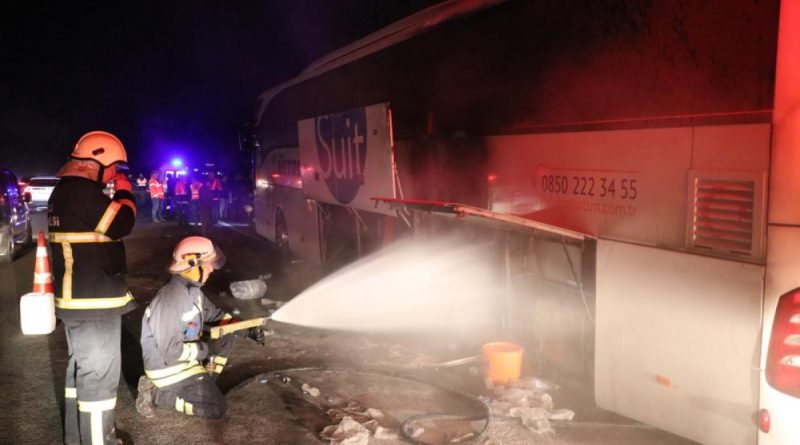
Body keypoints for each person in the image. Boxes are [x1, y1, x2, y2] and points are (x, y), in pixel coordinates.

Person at [48, 130, 137, 445]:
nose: (115, 174)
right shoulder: (83, 193)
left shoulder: (64, 191)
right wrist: (125, 192)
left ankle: (78, 438)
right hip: (93, 303)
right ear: (95, 162)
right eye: (114, 167)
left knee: (81, 372)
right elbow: (122, 223)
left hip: (78, 302)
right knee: (98, 379)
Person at [136, 236, 235, 419]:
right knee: (216, 408)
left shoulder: (193, 291)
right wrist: (207, 349)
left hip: (187, 360)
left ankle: (205, 382)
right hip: (168, 368)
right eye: (208, 264)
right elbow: (171, 352)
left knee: (230, 332)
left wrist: (246, 328)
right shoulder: (170, 300)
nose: (212, 269)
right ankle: (158, 394)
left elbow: (216, 316)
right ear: (192, 265)